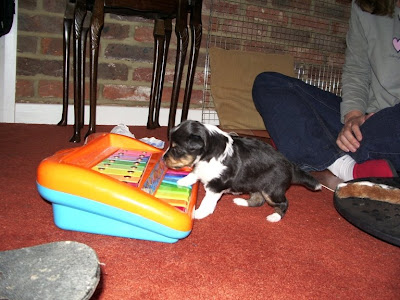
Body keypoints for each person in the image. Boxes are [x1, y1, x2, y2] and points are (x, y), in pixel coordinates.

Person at [252, 0, 400, 181]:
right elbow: (357, 70)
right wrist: (353, 117)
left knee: (379, 134)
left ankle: (300, 141)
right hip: (367, 121)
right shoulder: (365, 6)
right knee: (268, 84)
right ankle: (346, 166)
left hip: (391, 124)